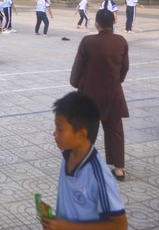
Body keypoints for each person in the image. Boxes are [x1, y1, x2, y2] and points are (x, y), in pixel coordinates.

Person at [42, 91, 127, 230]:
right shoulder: (68, 155)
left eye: (60, 129)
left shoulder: (98, 175)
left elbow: (120, 225)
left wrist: (68, 227)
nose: (54, 134)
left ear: (81, 134)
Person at [70, 9, 129, 181]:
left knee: (87, 130)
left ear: (96, 24)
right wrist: (116, 81)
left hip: (90, 93)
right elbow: (124, 67)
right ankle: (119, 168)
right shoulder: (121, 41)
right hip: (113, 92)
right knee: (115, 130)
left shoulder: (88, 42)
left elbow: (78, 67)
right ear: (114, 23)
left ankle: (81, 164)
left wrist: (76, 82)